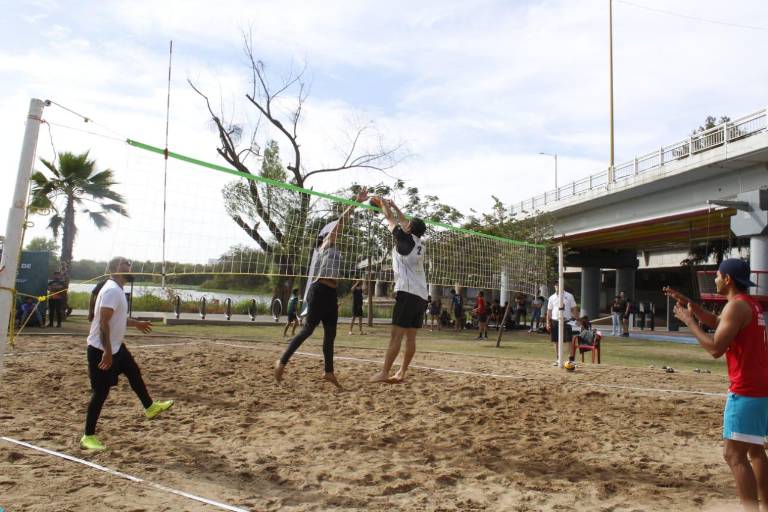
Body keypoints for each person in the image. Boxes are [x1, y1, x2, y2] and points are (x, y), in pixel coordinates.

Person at [664, 259, 768, 512]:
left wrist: (689, 321)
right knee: (755, 451)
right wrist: (690, 304)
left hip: (745, 390)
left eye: (719, 276)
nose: (716, 280)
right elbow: (717, 322)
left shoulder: (735, 307)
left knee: (733, 455)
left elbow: (715, 348)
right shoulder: (749, 305)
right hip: (760, 387)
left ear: (728, 279)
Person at [275, 188, 369, 388]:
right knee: (308, 330)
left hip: (331, 294)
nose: (337, 232)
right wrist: (357, 203)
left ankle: (329, 372)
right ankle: (282, 361)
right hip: (319, 290)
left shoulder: (334, 250)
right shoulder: (325, 245)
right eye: (333, 231)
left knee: (331, 335)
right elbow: (342, 220)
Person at [80, 257, 174, 451]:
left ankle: (149, 407)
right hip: (101, 349)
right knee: (100, 393)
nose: (130, 267)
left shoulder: (116, 289)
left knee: (134, 373)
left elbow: (117, 318)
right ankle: (87, 436)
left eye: (130, 264)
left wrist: (136, 323)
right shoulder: (112, 290)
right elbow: (104, 322)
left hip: (115, 347)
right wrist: (106, 352)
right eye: (126, 265)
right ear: (115, 269)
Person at [369, 197, 428, 383]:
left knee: (396, 336)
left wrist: (383, 205)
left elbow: (389, 219)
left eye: (408, 224)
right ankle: (401, 372)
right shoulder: (419, 244)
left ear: (409, 229)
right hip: (421, 296)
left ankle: (384, 373)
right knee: (411, 337)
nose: (405, 223)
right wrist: (396, 206)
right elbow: (403, 222)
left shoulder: (404, 239)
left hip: (408, 293)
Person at [546, 283, 579, 366]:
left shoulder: (569, 296)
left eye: (559, 284)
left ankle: (571, 359)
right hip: (555, 321)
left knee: (569, 340)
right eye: (556, 285)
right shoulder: (551, 297)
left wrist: (577, 319)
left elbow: (574, 308)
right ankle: (558, 359)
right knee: (556, 341)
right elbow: (549, 311)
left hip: (566, 321)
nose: (557, 286)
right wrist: (547, 322)